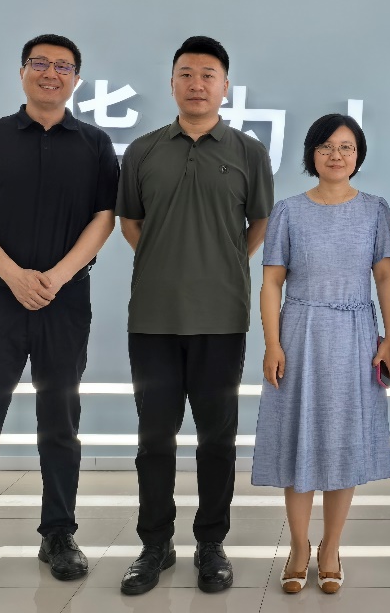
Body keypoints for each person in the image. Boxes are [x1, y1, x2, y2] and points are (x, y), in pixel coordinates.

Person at [0, 34, 119, 609]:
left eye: (63, 66)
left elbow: (104, 218)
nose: (50, 73)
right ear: (22, 72)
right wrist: (13, 275)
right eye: (40, 63)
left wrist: (56, 277)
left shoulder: (95, 144)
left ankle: (58, 534)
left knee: (60, 426)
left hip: (66, 302)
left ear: (76, 79)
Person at [116, 36, 274, 596]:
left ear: (225, 86)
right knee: (154, 438)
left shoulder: (249, 152)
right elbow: (130, 222)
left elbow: (259, 223)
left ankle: (211, 544)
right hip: (153, 318)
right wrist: (168, 262)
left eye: (208, 75)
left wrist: (222, 264)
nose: (197, 84)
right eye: (186, 74)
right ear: (172, 83)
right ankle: (155, 544)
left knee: (217, 438)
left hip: (221, 317)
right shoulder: (142, 151)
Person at [251, 114, 390, 595]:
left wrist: (388, 339)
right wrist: (273, 343)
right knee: (299, 435)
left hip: (356, 334)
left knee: (342, 439)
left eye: (347, 147)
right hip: (300, 333)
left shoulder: (375, 210)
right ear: (311, 153)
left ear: (358, 156)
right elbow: (271, 282)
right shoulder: (289, 211)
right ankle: (299, 546)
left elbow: (384, 278)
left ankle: (331, 547)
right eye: (327, 147)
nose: (337, 155)